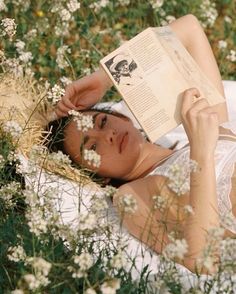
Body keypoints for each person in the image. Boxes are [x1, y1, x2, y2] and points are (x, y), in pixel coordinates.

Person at [50, 15, 236, 273]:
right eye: (92, 148)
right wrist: (201, 153)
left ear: (124, 118)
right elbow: (201, 262)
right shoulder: (132, 196)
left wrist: (104, 78)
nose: (108, 136)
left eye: (103, 122)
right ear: (98, 177)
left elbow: (190, 29)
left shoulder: (210, 122)